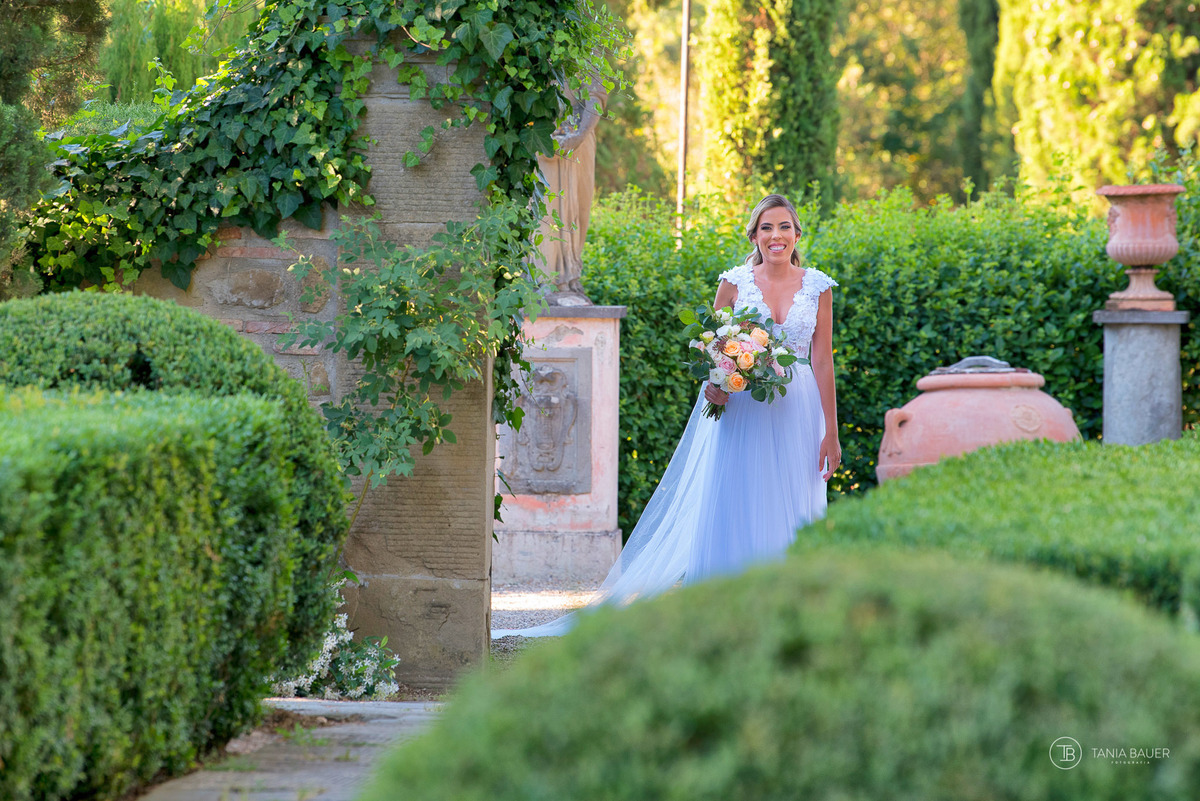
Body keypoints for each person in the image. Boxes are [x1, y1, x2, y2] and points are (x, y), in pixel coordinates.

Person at [492, 194, 839, 638]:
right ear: (754, 235)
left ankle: (793, 606)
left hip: (798, 409)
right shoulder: (734, 283)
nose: (776, 236)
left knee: (791, 499)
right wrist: (718, 381)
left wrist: (831, 431)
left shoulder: (817, 287)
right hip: (744, 407)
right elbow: (712, 347)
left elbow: (823, 359)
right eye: (767, 228)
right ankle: (726, 606)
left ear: (796, 234)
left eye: (784, 227)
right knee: (740, 495)